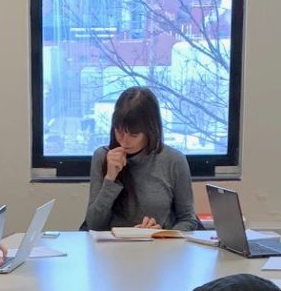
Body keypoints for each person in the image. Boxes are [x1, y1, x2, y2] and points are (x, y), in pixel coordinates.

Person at [81, 86, 200, 234]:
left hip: (160, 250)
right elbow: (93, 225)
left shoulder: (174, 160)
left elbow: (188, 219)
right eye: (119, 131)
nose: (124, 141)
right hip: (113, 251)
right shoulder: (102, 156)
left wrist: (163, 235)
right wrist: (110, 178)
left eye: (134, 135)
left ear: (150, 130)